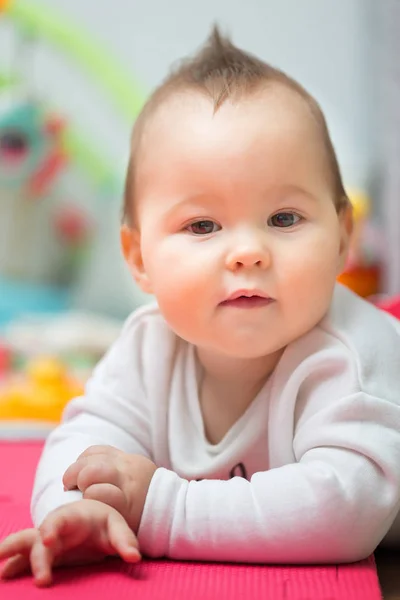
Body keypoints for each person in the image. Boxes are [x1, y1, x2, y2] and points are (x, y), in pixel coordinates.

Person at [1, 26, 400, 588]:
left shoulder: (348, 357)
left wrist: (161, 509)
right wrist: (74, 510)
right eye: (203, 225)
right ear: (139, 258)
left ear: (342, 236)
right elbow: (81, 442)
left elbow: (344, 511)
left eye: (284, 218)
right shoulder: (149, 343)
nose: (247, 252)